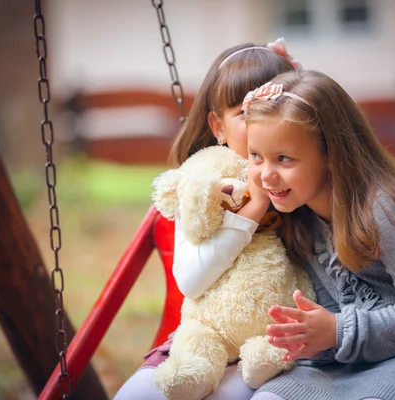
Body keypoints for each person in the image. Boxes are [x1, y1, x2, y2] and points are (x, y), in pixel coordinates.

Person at [239, 70, 395, 399]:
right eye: (256, 156)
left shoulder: (383, 207)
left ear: (331, 154)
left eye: (283, 158)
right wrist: (314, 336)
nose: (266, 174)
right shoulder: (298, 213)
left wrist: (338, 330)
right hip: (344, 362)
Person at [113, 39, 299, 400]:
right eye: (245, 112)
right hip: (205, 338)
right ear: (218, 126)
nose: (261, 121)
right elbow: (190, 280)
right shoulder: (206, 183)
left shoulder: (302, 182)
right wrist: (252, 210)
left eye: (273, 107)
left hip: (272, 350)